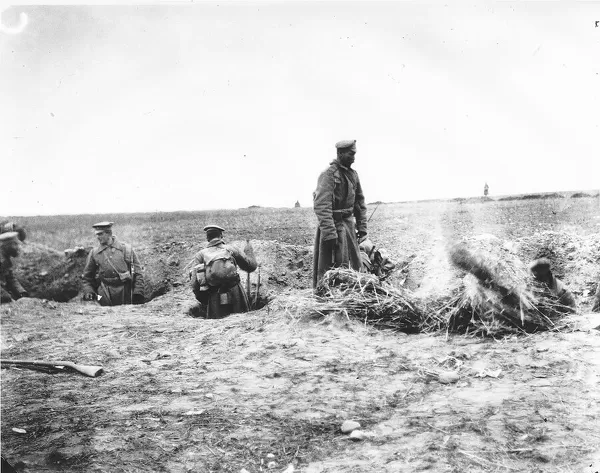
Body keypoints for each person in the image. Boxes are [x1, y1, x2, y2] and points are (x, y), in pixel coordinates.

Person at [313, 139, 367, 288]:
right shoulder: (329, 175)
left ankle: (350, 297)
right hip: (332, 230)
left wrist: (362, 229)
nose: (354, 158)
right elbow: (321, 206)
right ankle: (328, 301)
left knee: (353, 268)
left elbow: (360, 204)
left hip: (348, 228)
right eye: (351, 154)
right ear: (340, 153)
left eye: (354, 154)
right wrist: (330, 234)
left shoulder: (353, 175)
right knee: (330, 271)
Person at [190, 225, 257, 318]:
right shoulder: (232, 249)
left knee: (216, 325)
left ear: (207, 238)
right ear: (221, 235)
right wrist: (249, 250)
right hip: (235, 292)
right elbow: (251, 267)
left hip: (214, 296)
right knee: (241, 322)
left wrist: (203, 299)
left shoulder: (201, 254)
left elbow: (194, 282)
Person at [81, 222, 145, 306]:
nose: (97, 237)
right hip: (104, 294)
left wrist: (138, 292)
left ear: (109, 233)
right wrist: (89, 291)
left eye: (100, 234)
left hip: (126, 293)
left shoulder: (126, 249)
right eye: (96, 235)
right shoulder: (95, 253)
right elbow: (87, 277)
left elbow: (138, 273)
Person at [0, 232, 28, 303]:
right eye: (15, 244)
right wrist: (5, 295)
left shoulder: (6, 259)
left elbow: (10, 278)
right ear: (7, 245)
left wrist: (21, 292)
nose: (18, 247)